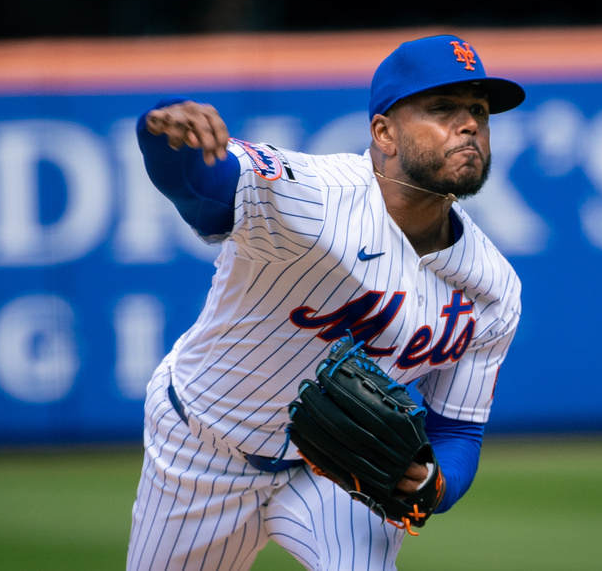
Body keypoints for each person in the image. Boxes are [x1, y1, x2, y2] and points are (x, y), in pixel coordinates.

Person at [127, 34, 525, 571]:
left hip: (333, 470)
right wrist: (164, 133)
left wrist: (436, 484)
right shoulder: (314, 195)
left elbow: (457, 429)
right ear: (383, 132)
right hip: (201, 450)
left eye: (478, 111)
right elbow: (206, 188)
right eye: (442, 108)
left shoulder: (493, 287)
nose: (470, 123)